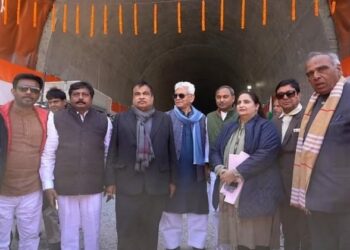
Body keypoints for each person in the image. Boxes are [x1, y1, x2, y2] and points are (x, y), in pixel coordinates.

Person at [40, 81, 112, 250]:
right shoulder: (56, 118)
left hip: (93, 185)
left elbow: (109, 155)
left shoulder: (104, 121)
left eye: (85, 94)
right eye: (76, 94)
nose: (80, 98)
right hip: (65, 186)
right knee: (68, 230)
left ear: (91, 98)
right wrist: (48, 184)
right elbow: (49, 154)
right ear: (70, 98)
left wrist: (110, 182)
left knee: (92, 230)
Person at [105, 81, 177, 250]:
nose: (141, 97)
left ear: (152, 97)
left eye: (145, 93)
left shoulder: (164, 119)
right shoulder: (121, 118)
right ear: (133, 98)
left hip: (156, 185)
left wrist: (173, 180)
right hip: (127, 184)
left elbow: (171, 151)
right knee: (125, 230)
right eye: (137, 94)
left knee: (150, 230)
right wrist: (109, 181)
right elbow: (112, 151)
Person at [291, 52, 350, 250]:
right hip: (317, 204)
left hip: (345, 205)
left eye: (322, 69)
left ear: (338, 69)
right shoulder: (313, 104)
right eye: (310, 73)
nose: (315, 76)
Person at [211, 91, 282, 250]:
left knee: (254, 237)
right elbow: (214, 150)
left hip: (255, 187)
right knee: (236, 235)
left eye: (247, 102)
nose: (241, 105)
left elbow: (266, 153)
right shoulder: (229, 127)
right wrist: (220, 169)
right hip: (230, 187)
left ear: (257, 106)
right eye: (240, 102)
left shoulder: (266, 127)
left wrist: (236, 172)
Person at [0, 73, 48, 250]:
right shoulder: (0, 114)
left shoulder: (46, 117)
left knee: (29, 237)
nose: (29, 92)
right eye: (23, 88)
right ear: (13, 91)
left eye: (34, 90)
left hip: (31, 191)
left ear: (39, 94)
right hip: (2, 191)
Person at [160, 81, 209, 250]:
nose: (177, 98)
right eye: (175, 95)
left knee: (198, 212)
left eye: (181, 95)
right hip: (174, 174)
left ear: (192, 98)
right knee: (171, 212)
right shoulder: (166, 118)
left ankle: (197, 245)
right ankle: (172, 246)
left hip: (196, 174)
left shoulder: (203, 119)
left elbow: (208, 144)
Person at [272, 79, 310, 250]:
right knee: (288, 231)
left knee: (307, 231)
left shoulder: (309, 118)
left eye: (290, 93)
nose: (285, 97)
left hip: (303, 187)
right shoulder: (275, 121)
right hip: (281, 187)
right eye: (281, 95)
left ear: (298, 94)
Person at [207, 85, 237, 245]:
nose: (221, 99)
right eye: (218, 97)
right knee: (217, 209)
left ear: (233, 98)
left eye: (225, 96)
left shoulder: (240, 115)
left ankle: (235, 243)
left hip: (236, 172)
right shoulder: (209, 118)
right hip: (216, 171)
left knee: (233, 208)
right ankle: (221, 244)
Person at [42, 87, 67, 250]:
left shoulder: (73, 119)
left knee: (65, 208)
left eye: (56, 101)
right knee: (48, 207)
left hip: (66, 171)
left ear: (65, 102)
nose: (52, 105)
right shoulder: (43, 118)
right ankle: (54, 241)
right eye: (50, 102)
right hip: (45, 169)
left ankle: (67, 237)